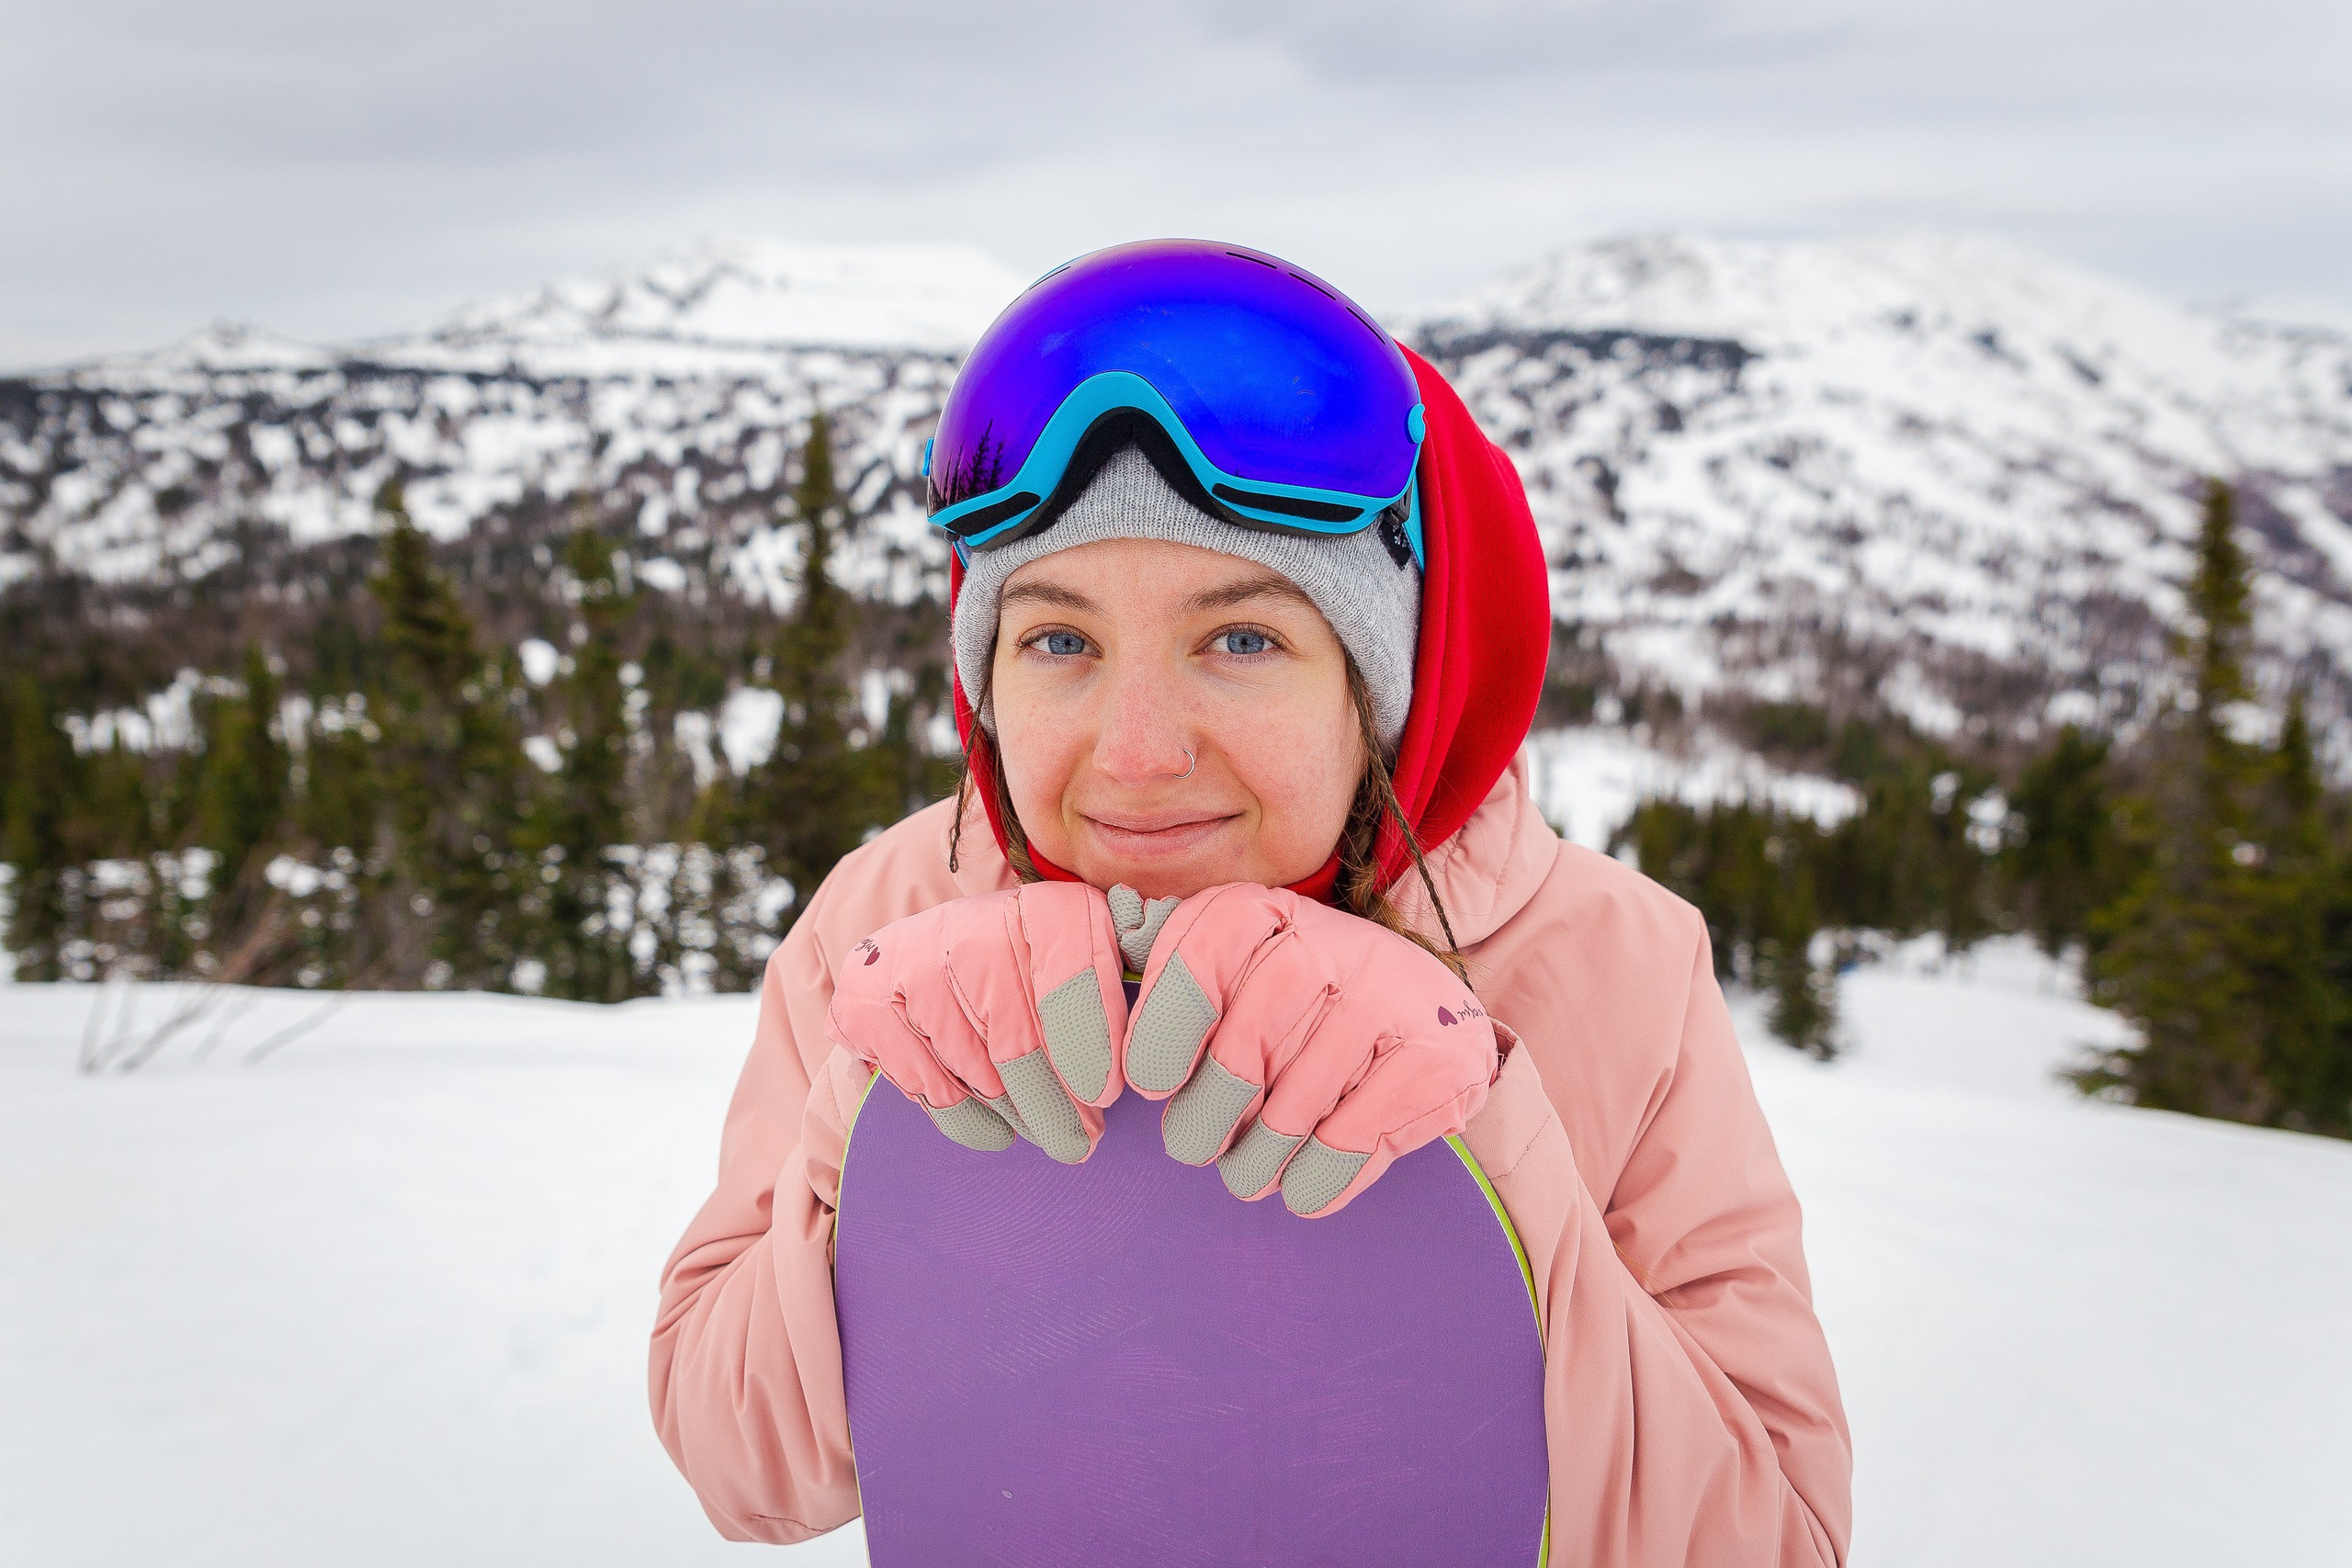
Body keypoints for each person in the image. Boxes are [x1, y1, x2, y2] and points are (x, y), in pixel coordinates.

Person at [650, 240, 1853, 1564]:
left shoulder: (1616, 963)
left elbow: (1777, 1539)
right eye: (1060, 640)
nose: (1137, 753)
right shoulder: (889, 912)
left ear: (1381, 685)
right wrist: (869, 1131)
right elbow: (743, 1469)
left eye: (1243, 639)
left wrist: (1493, 1149)